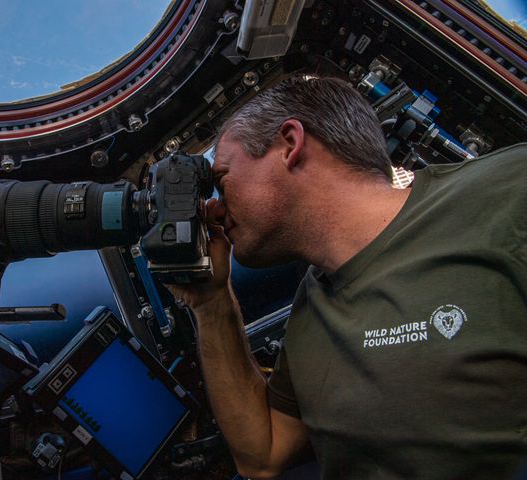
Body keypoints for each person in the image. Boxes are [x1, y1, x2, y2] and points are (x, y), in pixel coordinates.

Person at [170, 75, 527, 479]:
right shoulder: (309, 315)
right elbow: (262, 455)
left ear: (290, 144)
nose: (215, 210)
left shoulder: (507, 191)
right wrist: (211, 302)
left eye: (221, 182)